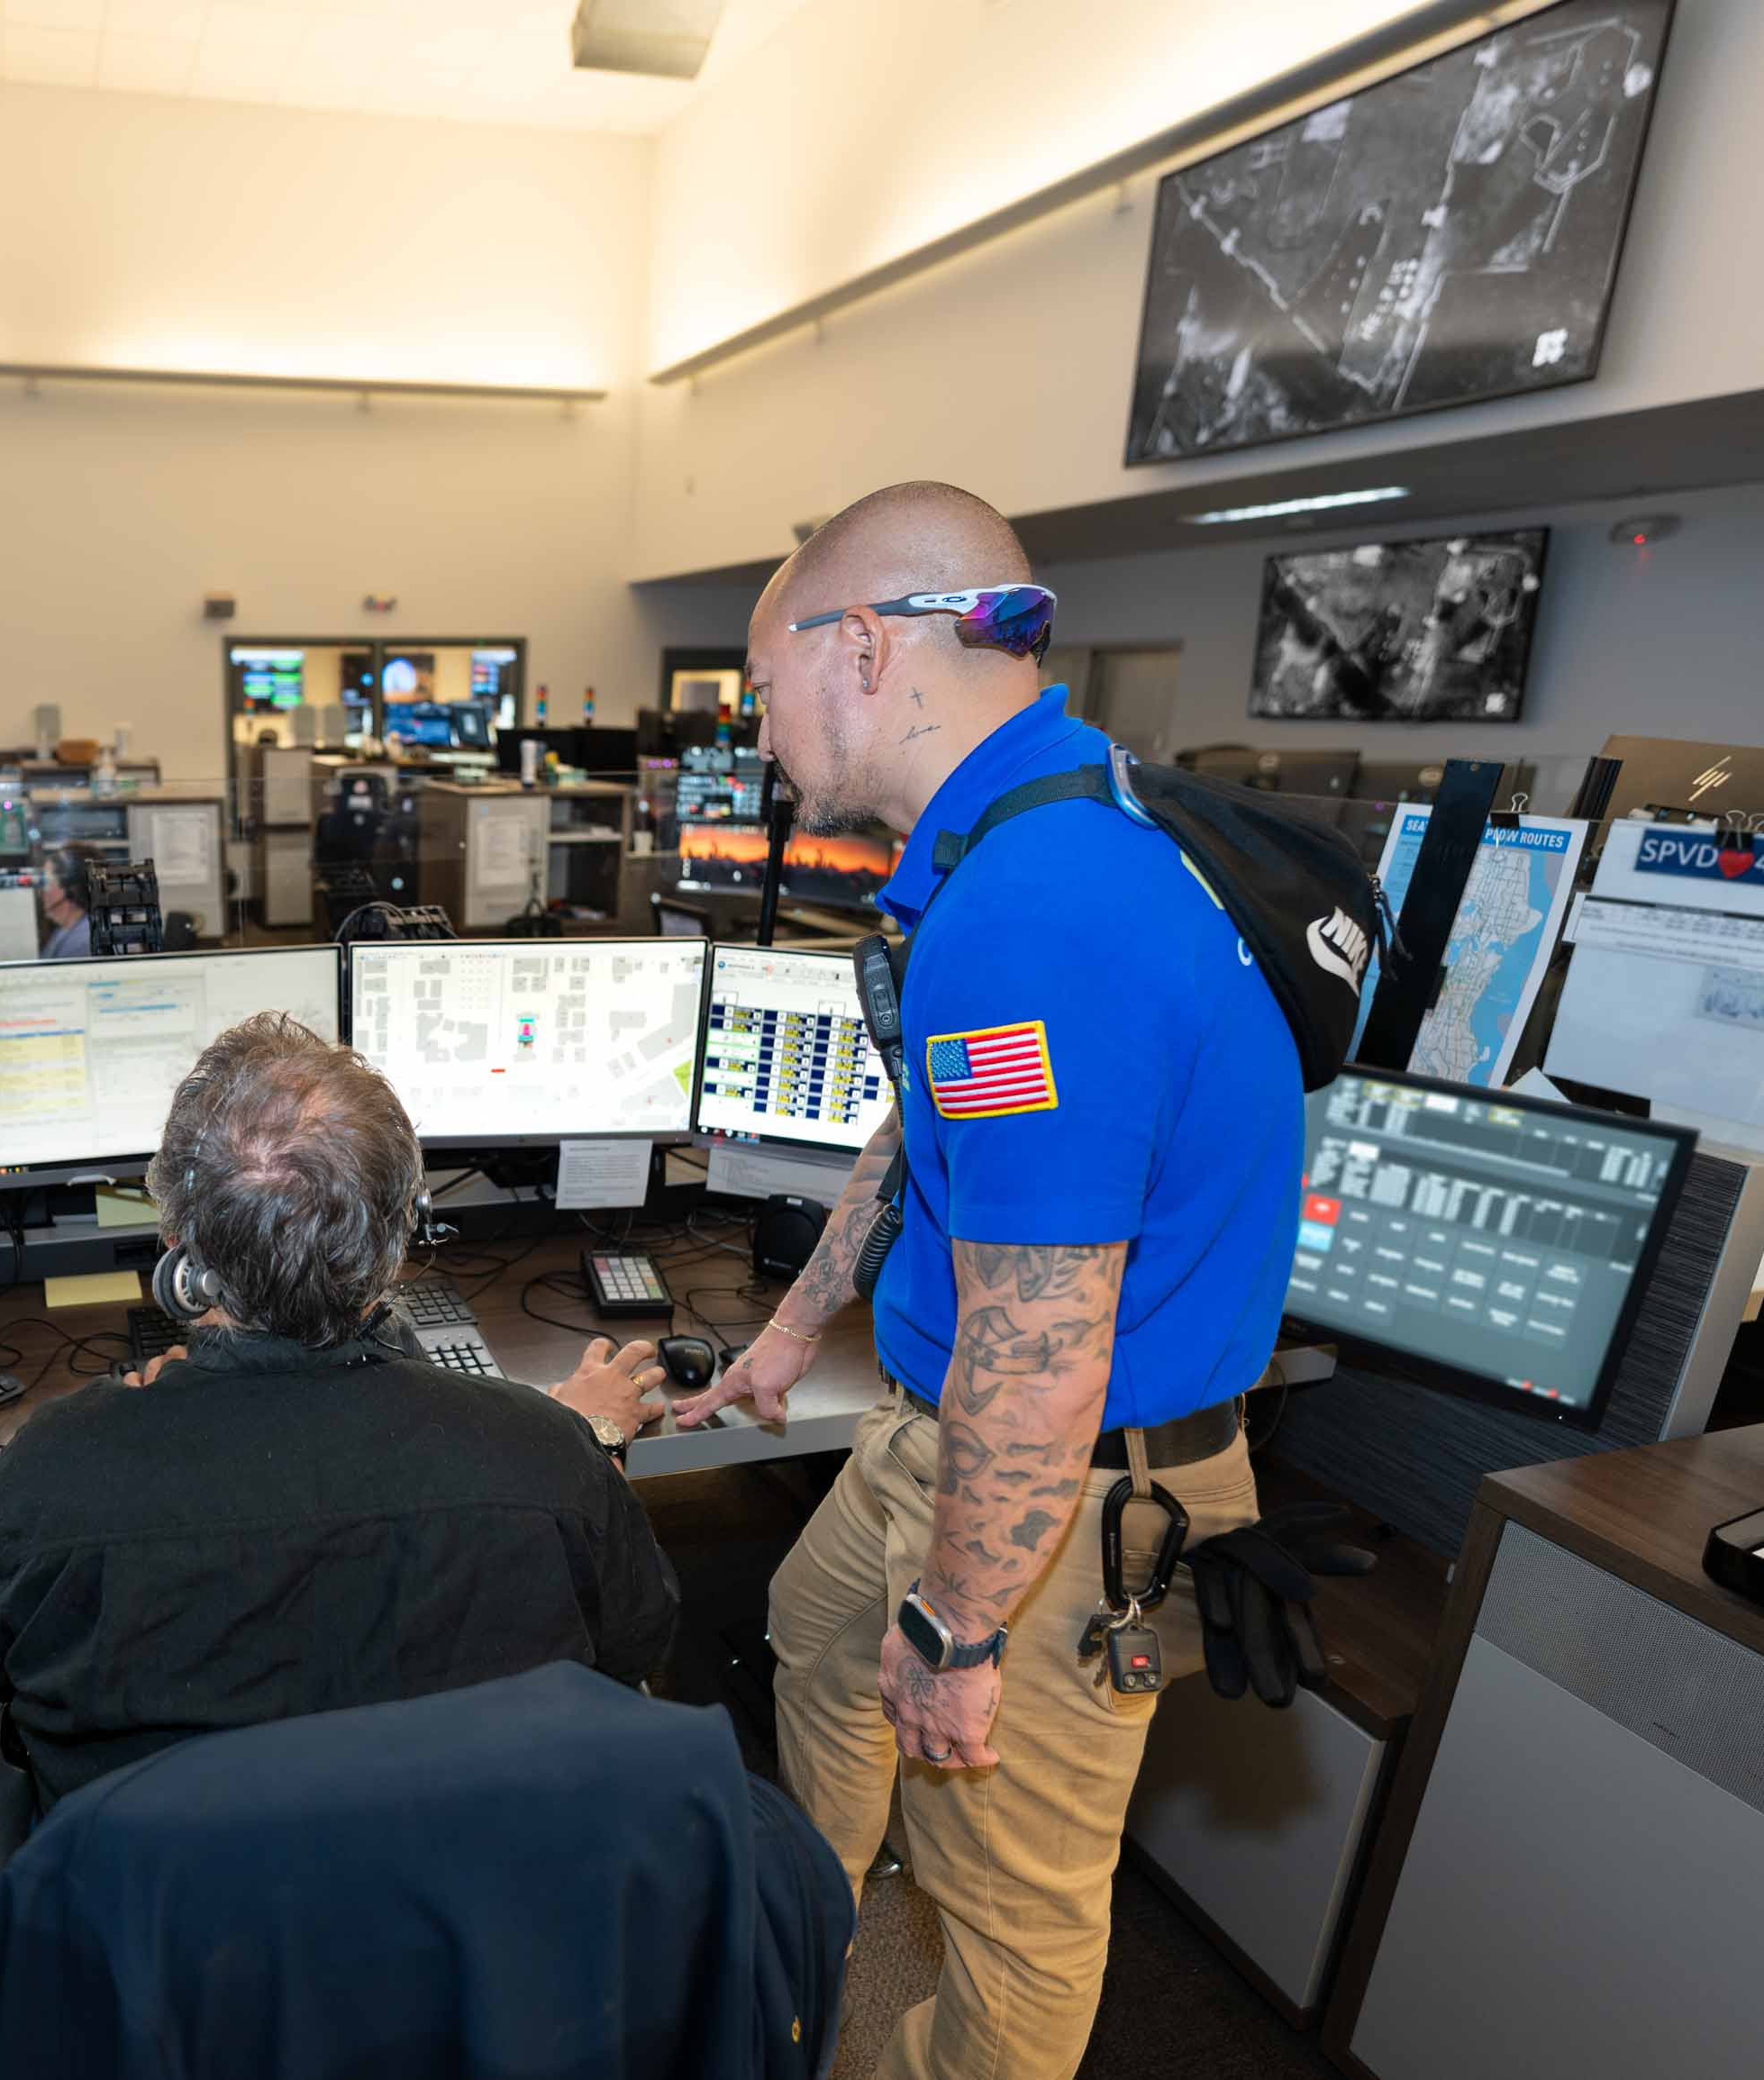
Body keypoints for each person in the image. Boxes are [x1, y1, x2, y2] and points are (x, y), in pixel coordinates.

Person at [669, 482, 1290, 2080]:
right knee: (815, 1636)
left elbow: (1043, 1337)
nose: (759, 730)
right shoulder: (1030, 824)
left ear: (863, 650)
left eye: (763, 687)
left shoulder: (1036, 910)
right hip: (937, 1428)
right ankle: (812, 1954)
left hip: (1059, 1495)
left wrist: (955, 1628)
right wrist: (796, 1323)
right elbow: (930, 1124)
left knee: (1010, 1911)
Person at [0, 1012, 678, 1807]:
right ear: (397, 1239)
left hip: (161, 1885)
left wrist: (117, 1439)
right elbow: (636, 1643)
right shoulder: (546, 1456)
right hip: (455, 1874)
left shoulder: (59, 1466)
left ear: (179, 1243)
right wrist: (589, 1439)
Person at [36, 848, 94, 958]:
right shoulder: (65, 929)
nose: (41, 892)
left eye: (46, 883)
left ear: (69, 889)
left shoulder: (82, 941)